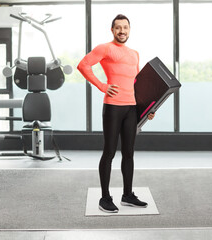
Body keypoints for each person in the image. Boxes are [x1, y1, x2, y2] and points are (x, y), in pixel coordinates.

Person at [77, 14, 155, 213]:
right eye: (118, 28)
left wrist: (146, 110)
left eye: (125, 27)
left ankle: (127, 195)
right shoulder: (106, 48)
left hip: (131, 108)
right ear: (112, 30)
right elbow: (83, 65)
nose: (122, 31)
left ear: (130, 30)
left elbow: (137, 85)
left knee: (129, 153)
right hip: (113, 107)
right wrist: (102, 86)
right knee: (109, 152)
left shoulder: (134, 54)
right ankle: (105, 198)